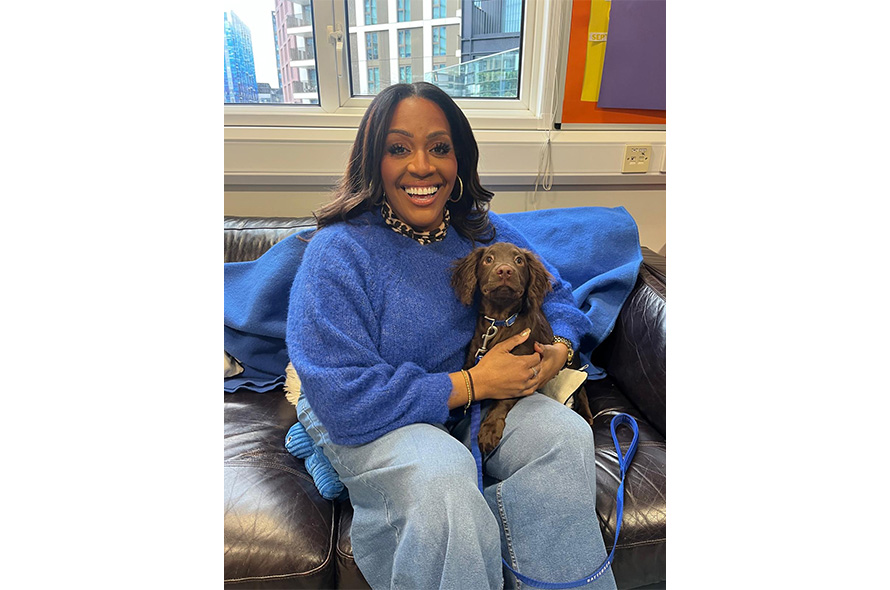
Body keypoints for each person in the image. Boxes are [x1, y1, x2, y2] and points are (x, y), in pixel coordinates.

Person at [287, 81, 617, 590]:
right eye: (399, 149)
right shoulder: (338, 252)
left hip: (477, 406)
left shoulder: (480, 230)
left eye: (439, 148)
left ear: (459, 159)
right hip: (380, 417)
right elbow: (342, 397)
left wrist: (560, 350)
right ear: (373, 161)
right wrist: (473, 384)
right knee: (445, 482)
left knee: (565, 437)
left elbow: (555, 293)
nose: (422, 166)